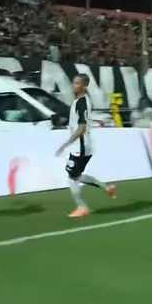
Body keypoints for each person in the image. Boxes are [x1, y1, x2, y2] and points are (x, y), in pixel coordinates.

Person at [55, 74, 116, 218]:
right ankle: (107, 187)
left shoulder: (82, 103)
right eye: (74, 82)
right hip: (82, 145)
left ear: (84, 86)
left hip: (80, 146)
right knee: (76, 175)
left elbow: (81, 128)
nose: (74, 85)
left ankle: (82, 207)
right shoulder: (81, 101)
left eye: (77, 83)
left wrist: (66, 144)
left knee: (72, 178)